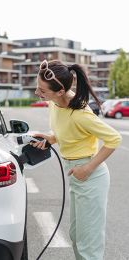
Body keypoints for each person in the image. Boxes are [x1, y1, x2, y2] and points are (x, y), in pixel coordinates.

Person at [32, 60, 122, 260]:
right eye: (37, 87)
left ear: (61, 92)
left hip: (90, 176)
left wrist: (87, 169)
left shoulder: (81, 113)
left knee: (88, 244)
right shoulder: (54, 103)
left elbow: (114, 139)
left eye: (42, 91)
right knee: (76, 236)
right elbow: (68, 131)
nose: (38, 93)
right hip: (75, 173)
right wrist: (52, 138)